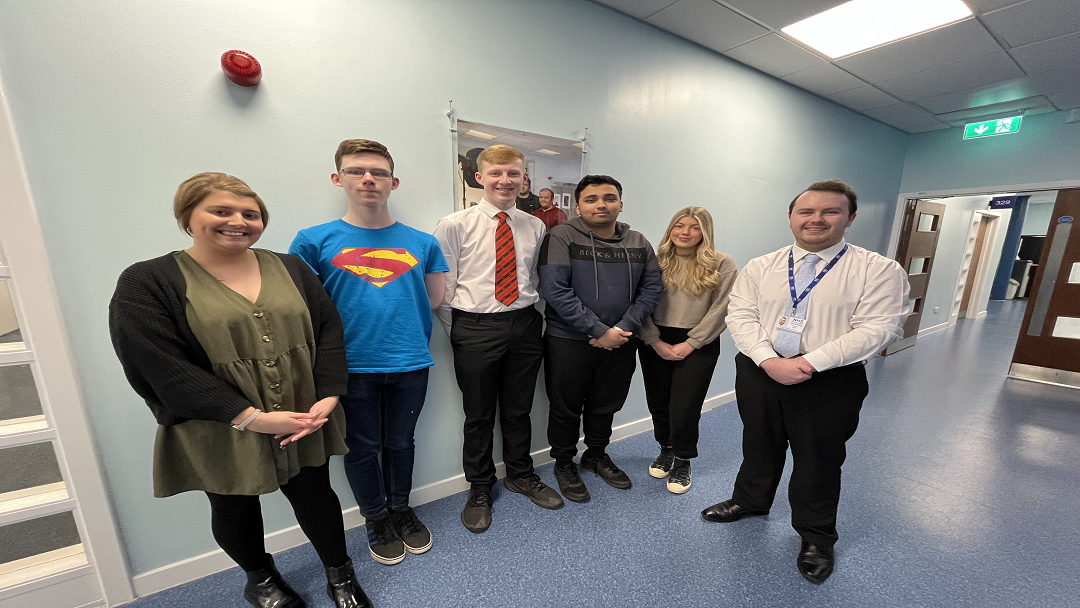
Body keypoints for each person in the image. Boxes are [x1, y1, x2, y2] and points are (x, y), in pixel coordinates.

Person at [109, 173, 372, 608]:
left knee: (315, 493)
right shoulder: (147, 281)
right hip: (217, 418)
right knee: (233, 503)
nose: (238, 221)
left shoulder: (291, 268)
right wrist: (250, 417)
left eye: (251, 214)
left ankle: (340, 574)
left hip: (301, 413)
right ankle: (261, 579)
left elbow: (328, 328)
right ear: (187, 216)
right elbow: (156, 363)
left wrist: (329, 394)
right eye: (221, 211)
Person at [701, 179, 909, 585]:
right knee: (759, 441)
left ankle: (816, 536)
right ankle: (750, 501)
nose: (816, 219)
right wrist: (768, 360)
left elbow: (879, 328)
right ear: (791, 218)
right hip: (760, 371)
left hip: (830, 379)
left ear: (850, 218)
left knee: (818, 458)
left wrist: (809, 363)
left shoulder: (878, 270)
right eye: (806, 211)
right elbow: (740, 315)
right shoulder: (762, 266)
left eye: (830, 211)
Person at [289, 139, 448, 566]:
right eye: (356, 171)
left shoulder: (422, 242)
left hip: (410, 361)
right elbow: (303, 309)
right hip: (348, 366)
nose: (368, 179)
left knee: (400, 442)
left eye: (378, 172)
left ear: (393, 182)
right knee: (360, 448)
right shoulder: (312, 241)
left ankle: (401, 509)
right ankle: (375, 518)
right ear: (337, 178)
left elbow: (434, 299)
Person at [434, 144, 563, 533]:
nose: (505, 180)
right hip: (474, 327)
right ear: (480, 178)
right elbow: (444, 286)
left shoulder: (534, 225)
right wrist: (461, 330)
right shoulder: (453, 224)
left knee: (518, 409)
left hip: (524, 324)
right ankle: (480, 486)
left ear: (524, 179)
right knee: (478, 414)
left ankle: (521, 474)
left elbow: (532, 277)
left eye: (513, 174)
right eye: (496, 173)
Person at [537, 175, 662, 503]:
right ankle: (564, 463)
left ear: (621, 204)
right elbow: (554, 289)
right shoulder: (560, 236)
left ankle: (595, 455)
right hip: (568, 339)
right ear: (578, 207)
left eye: (609, 198)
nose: (601, 204)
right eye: (591, 199)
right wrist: (598, 330)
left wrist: (621, 329)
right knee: (565, 407)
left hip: (622, 339)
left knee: (606, 403)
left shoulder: (638, 241)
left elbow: (652, 288)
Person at [638, 207, 737, 494]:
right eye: (679, 225)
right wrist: (654, 340)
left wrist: (692, 342)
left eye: (694, 227)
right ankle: (666, 449)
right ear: (671, 228)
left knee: (684, 406)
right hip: (655, 337)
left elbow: (722, 307)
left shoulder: (722, 263)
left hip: (699, 341)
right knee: (658, 402)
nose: (685, 232)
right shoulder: (654, 261)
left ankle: (683, 460)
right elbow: (639, 302)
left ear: (705, 233)